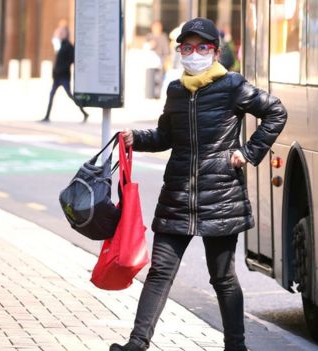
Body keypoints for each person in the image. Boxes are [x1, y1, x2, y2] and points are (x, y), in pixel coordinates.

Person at [110, 17, 287, 351]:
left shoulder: (233, 85)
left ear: (215, 52)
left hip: (220, 196)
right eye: (187, 48)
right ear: (180, 52)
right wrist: (136, 138)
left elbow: (276, 111)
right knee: (160, 271)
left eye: (202, 47)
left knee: (222, 277)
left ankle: (236, 346)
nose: (194, 54)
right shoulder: (176, 90)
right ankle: (136, 344)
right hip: (177, 193)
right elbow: (166, 135)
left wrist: (248, 152)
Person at [41, 23, 88, 123]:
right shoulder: (60, 45)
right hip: (57, 77)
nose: (61, 33)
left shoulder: (68, 46)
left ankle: (84, 113)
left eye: (62, 32)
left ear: (67, 34)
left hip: (64, 77)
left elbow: (71, 60)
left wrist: (62, 68)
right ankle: (47, 116)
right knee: (51, 95)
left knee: (71, 96)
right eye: (60, 32)